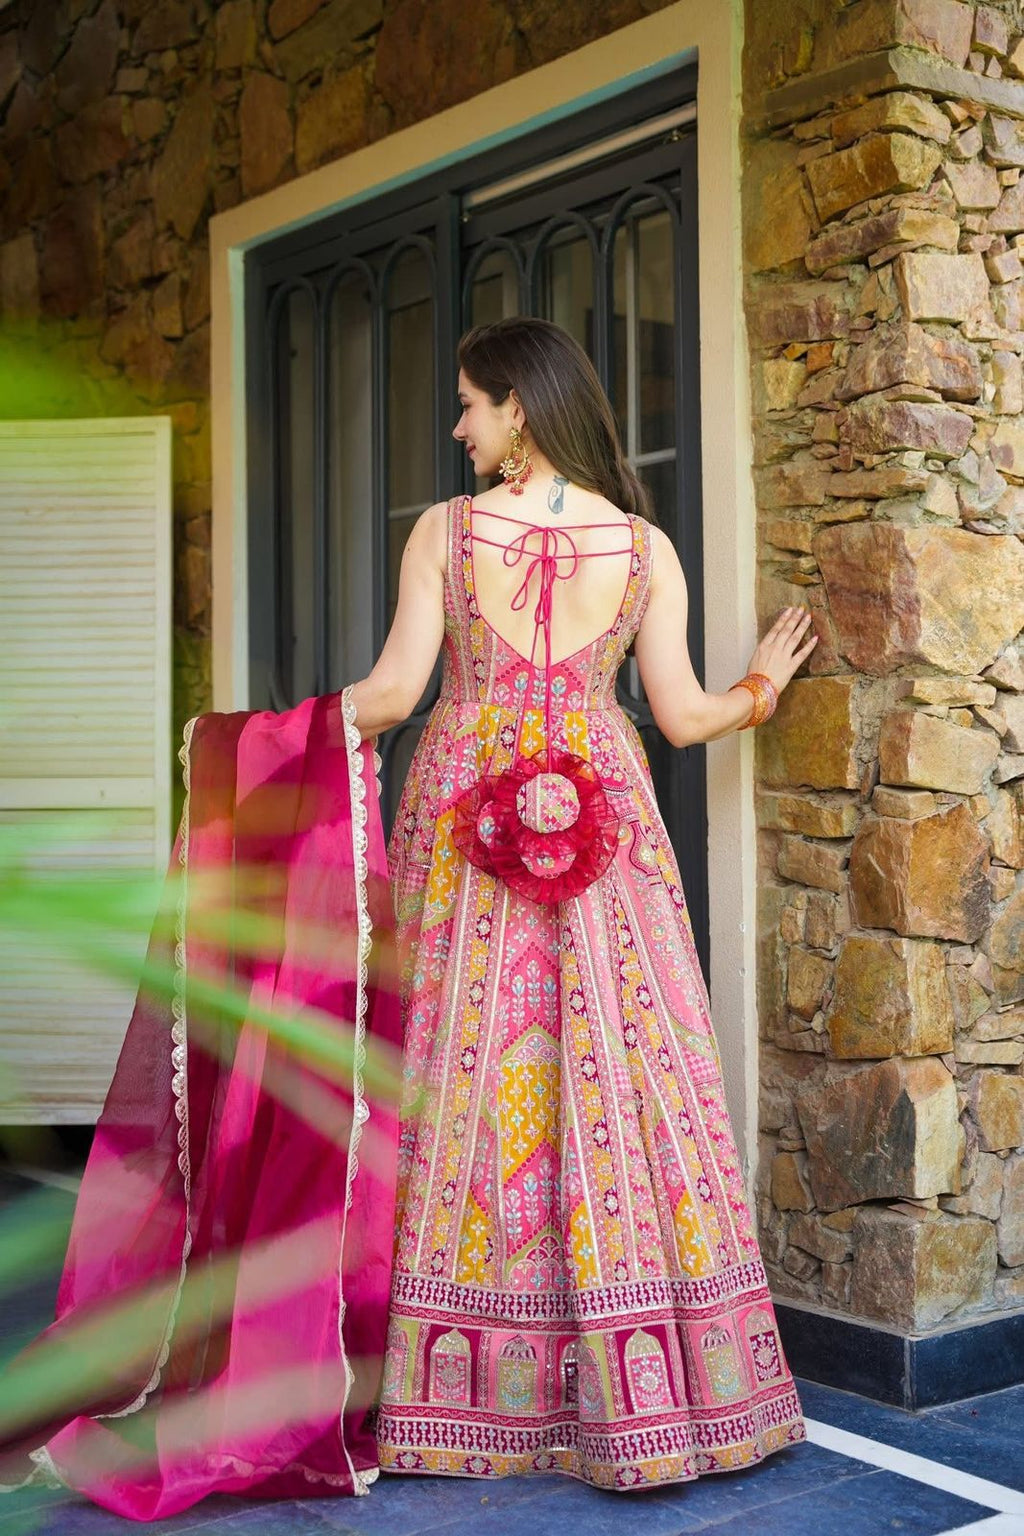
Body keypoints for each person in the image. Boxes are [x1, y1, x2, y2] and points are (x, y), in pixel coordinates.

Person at [346, 317, 815, 1489]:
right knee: (626, 1066)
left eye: (468, 404)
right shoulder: (645, 547)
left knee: (454, 1071)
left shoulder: (446, 536)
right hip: (607, 825)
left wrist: (261, 734)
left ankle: (446, 1391)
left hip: (462, 819)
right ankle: (653, 1385)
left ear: (518, 408)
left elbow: (395, 694)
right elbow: (686, 714)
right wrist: (762, 683)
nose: (457, 427)